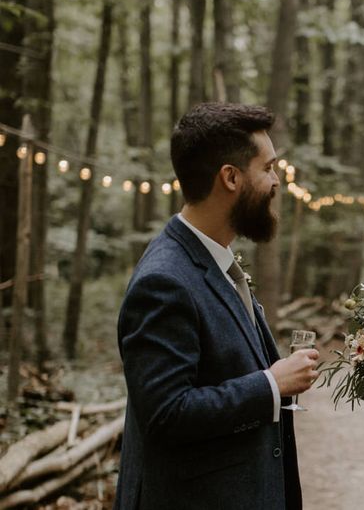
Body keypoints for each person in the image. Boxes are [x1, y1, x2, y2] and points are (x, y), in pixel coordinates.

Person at [115, 103, 319, 510]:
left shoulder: (214, 261)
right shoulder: (165, 280)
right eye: (268, 168)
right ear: (230, 177)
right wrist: (270, 385)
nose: (277, 181)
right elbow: (166, 415)